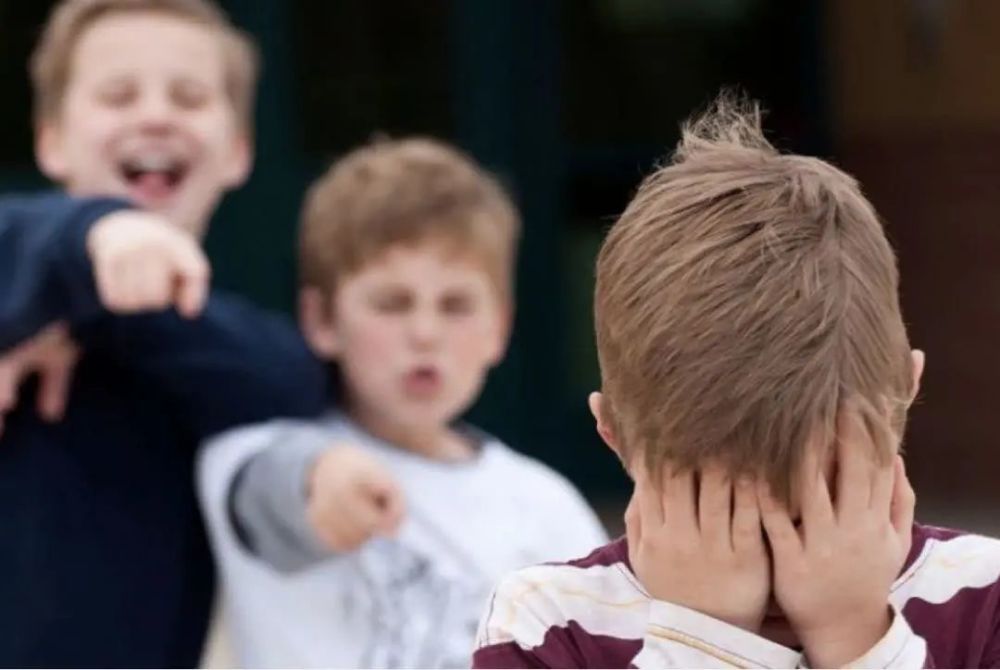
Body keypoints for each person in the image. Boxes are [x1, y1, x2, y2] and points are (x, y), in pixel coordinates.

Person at [472, 95, 1000, 669]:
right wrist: (702, 639)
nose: (781, 570)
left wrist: (857, 635)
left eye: (813, 513)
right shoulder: (544, 624)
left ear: (908, 391)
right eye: (724, 516)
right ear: (613, 433)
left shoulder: (985, 598)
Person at [198, 138, 608, 668]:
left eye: (456, 305)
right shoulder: (254, 450)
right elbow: (266, 492)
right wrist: (316, 479)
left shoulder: (548, 508)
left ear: (499, 327)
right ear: (321, 320)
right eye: (392, 304)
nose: (425, 333)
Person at [0, 1, 326, 665]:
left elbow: (288, 378)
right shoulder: (20, 257)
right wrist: (96, 236)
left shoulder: (227, 349)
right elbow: (19, 237)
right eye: (118, 95)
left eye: (189, 97)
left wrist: (98, 314)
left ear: (238, 151)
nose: (155, 115)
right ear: (51, 141)